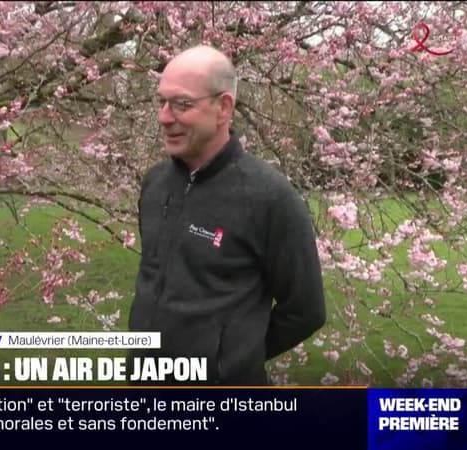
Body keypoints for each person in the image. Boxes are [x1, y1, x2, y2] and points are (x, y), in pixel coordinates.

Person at [129, 45, 326, 385]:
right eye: (161, 101)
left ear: (223, 107)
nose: (164, 116)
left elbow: (305, 312)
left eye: (181, 104)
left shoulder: (271, 198)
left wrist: (229, 358)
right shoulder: (156, 183)